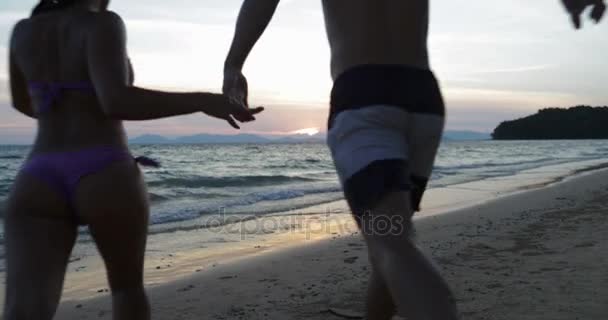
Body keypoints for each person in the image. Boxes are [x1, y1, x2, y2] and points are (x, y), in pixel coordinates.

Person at [222, 0, 605, 319]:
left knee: (391, 243)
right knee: (393, 234)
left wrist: (234, 64)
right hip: (422, 97)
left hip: (364, 94)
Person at [4, 0, 262, 319]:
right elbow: (116, 100)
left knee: (24, 309)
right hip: (103, 168)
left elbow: (22, 102)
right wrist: (204, 102)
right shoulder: (102, 24)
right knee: (126, 290)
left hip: (39, 174)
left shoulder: (22, 31)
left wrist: (64, 111)